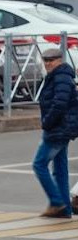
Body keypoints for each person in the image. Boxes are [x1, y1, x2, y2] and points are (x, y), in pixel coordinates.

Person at [33, 47, 78, 218]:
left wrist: (47, 122)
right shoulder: (58, 77)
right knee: (60, 169)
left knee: (39, 164)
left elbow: (60, 103)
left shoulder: (61, 77)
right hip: (62, 128)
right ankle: (65, 209)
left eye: (51, 60)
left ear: (60, 60)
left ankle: (57, 202)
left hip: (58, 128)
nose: (48, 64)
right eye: (45, 60)